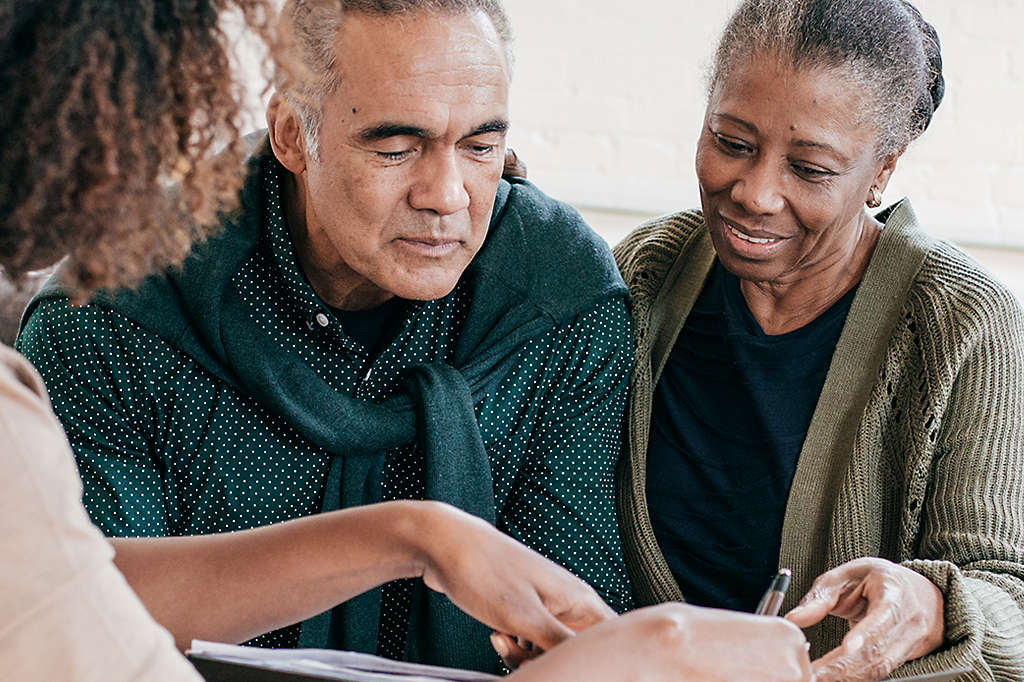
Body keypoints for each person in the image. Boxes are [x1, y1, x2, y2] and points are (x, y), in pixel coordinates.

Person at [18, 0, 634, 673]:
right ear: (289, 133)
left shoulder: (559, 292)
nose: (447, 195)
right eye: (397, 148)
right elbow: (82, 620)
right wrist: (414, 537)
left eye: (480, 146)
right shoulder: (113, 308)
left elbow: (580, 617)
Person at [614, 0, 1024, 680]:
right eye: (732, 142)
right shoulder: (646, 272)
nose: (755, 193)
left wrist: (933, 603)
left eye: (809, 169)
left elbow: (1011, 599)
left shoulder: (965, 323)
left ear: (882, 169)